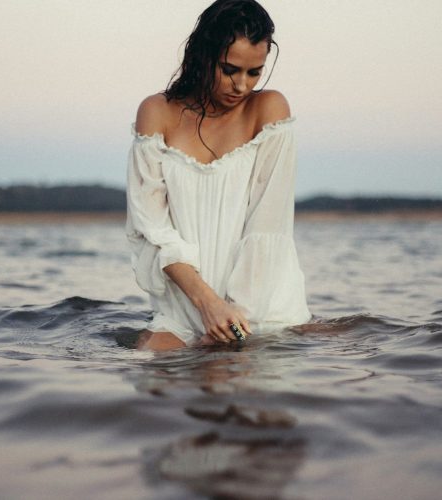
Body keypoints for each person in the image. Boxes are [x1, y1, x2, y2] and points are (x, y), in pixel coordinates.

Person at [126, 0, 310, 350]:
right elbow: (151, 229)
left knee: (236, 379)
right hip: (184, 305)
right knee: (149, 372)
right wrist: (208, 303)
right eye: (229, 69)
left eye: (254, 72)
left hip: (260, 304)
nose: (241, 85)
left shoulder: (268, 109)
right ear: (202, 55)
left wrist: (236, 317)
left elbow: (267, 227)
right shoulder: (157, 113)